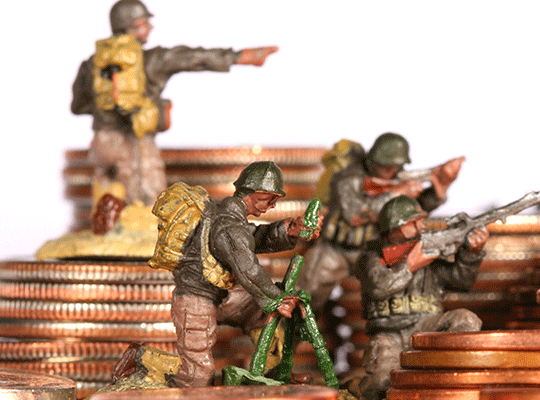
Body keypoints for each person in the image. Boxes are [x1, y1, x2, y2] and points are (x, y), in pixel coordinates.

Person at [71, 0, 278, 205]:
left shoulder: (91, 64)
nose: (150, 27)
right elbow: (193, 57)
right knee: (149, 201)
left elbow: (78, 106)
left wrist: (108, 109)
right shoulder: (153, 59)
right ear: (132, 27)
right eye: (144, 23)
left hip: (102, 142)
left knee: (105, 197)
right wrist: (239, 56)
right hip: (138, 141)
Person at [166, 161, 321, 387]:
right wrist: (276, 299)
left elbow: (252, 237)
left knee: (265, 319)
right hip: (196, 297)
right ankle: (144, 361)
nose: (272, 206)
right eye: (270, 199)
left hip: (224, 293)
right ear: (256, 194)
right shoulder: (228, 224)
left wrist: (288, 230)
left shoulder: (230, 217)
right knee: (198, 375)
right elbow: (247, 268)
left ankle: (273, 374)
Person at [297, 132, 464, 313]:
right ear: (374, 162)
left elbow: (411, 215)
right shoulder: (349, 178)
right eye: (388, 168)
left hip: (375, 251)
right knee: (307, 296)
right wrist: (395, 193)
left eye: (396, 167)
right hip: (337, 250)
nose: (393, 173)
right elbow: (354, 215)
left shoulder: (396, 179)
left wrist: (439, 189)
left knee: (392, 298)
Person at [353, 195, 488, 400]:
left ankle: (444, 381)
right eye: (413, 223)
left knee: (466, 319)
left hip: (427, 327)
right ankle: (354, 386)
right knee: (382, 384)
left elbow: (461, 282)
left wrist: (471, 253)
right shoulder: (370, 258)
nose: (421, 227)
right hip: (388, 335)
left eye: (421, 221)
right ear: (393, 228)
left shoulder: (427, 252)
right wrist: (409, 265)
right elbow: (379, 287)